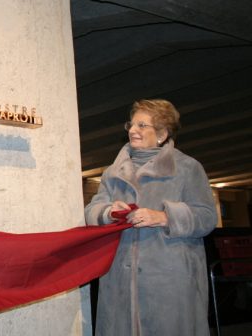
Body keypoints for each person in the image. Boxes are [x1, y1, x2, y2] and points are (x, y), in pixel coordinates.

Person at [84, 99, 217, 336]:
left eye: (142, 125)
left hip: (170, 280)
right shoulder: (112, 172)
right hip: (119, 280)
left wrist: (165, 217)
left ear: (162, 133)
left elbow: (207, 217)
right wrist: (108, 212)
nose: (133, 130)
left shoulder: (187, 168)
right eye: (132, 125)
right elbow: (92, 211)